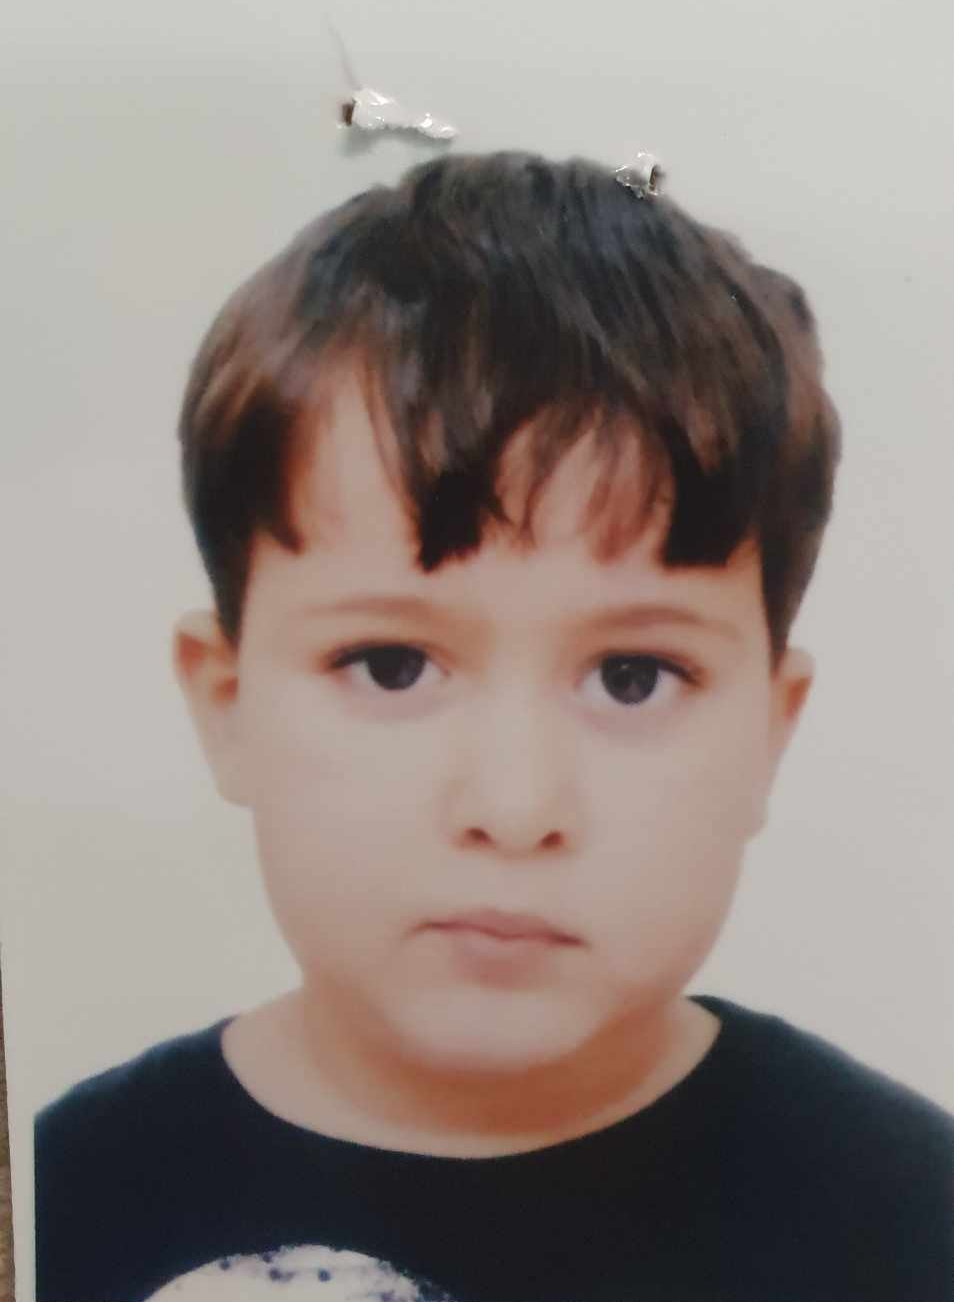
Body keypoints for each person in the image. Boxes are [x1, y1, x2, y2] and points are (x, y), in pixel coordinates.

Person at [34, 151, 952, 1302]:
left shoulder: (911, 1221)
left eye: (632, 677)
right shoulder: (59, 1201)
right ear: (228, 704)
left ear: (772, 733)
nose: (515, 807)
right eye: (390, 665)